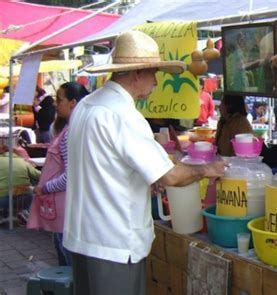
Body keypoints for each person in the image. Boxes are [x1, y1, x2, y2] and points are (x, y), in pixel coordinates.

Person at [63, 30, 226, 295]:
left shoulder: (87, 104)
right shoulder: (123, 114)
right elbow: (171, 176)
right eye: (154, 73)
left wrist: (141, 180)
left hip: (84, 236)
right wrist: (210, 168)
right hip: (114, 242)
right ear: (137, 73)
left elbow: (102, 166)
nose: (156, 82)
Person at [27, 82, 89, 266]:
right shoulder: (72, 129)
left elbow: (71, 176)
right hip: (67, 208)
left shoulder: (70, 133)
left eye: (59, 99)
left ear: (73, 103)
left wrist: (44, 188)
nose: (55, 104)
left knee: (68, 264)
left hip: (65, 208)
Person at [0, 138, 41, 223]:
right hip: (25, 198)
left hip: (3, 199)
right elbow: (38, 175)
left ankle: (3, 214)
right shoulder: (22, 161)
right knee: (29, 190)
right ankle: (25, 211)